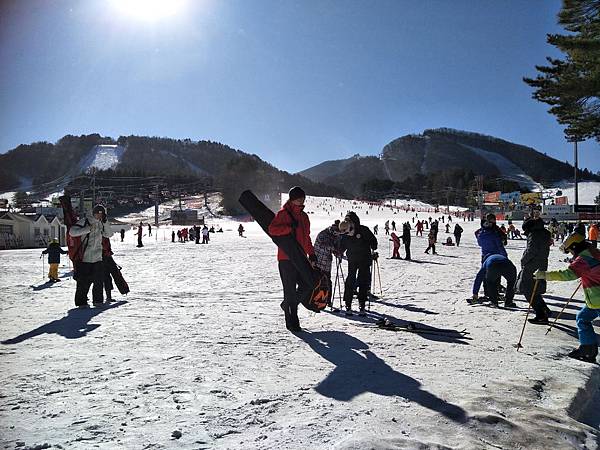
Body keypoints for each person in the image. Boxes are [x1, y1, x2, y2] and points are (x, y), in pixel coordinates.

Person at [534, 232, 600, 362]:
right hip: (595, 299)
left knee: (583, 319)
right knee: (582, 317)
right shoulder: (595, 252)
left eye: (569, 250)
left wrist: (544, 275)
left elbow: (567, 274)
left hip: (597, 298)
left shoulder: (583, 260)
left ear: (575, 247)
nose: (570, 253)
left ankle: (588, 350)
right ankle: (587, 349)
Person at [268, 186, 316, 332]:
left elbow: (306, 237)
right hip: (286, 258)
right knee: (289, 291)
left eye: (302, 198)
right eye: (297, 198)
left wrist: (311, 253)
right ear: (291, 199)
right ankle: (292, 323)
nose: (300, 200)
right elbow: (272, 230)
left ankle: (287, 304)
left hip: (301, 257)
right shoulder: (283, 214)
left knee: (309, 284)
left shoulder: (304, 216)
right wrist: (288, 228)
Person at [69, 205, 113, 308]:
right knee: (83, 282)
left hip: (98, 257)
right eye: (98, 213)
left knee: (98, 281)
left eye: (101, 213)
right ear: (93, 213)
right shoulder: (85, 221)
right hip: (85, 257)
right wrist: (87, 229)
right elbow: (72, 232)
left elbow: (109, 234)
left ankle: (98, 301)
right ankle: (81, 302)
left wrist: (106, 222)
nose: (99, 215)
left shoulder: (102, 223)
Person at [339, 211, 378, 316]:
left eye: (348, 232)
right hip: (352, 260)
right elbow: (342, 245)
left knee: (363, 282)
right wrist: (339, 251)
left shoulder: (363, 230)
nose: (347, 235)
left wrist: (373, 246)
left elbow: (373, 241)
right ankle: (348, 304)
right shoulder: (345, 233)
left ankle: (362, 304)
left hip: (365, 259)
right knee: (350, 281)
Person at [516, 211, 552, 324]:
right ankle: (544, 310)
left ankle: (541, 314)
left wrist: (523, 260)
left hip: (532, 265)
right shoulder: (545, 233)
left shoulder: (534, 234)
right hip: (541, 264)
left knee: (527, 290)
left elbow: (531, 250)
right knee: (535, 289)